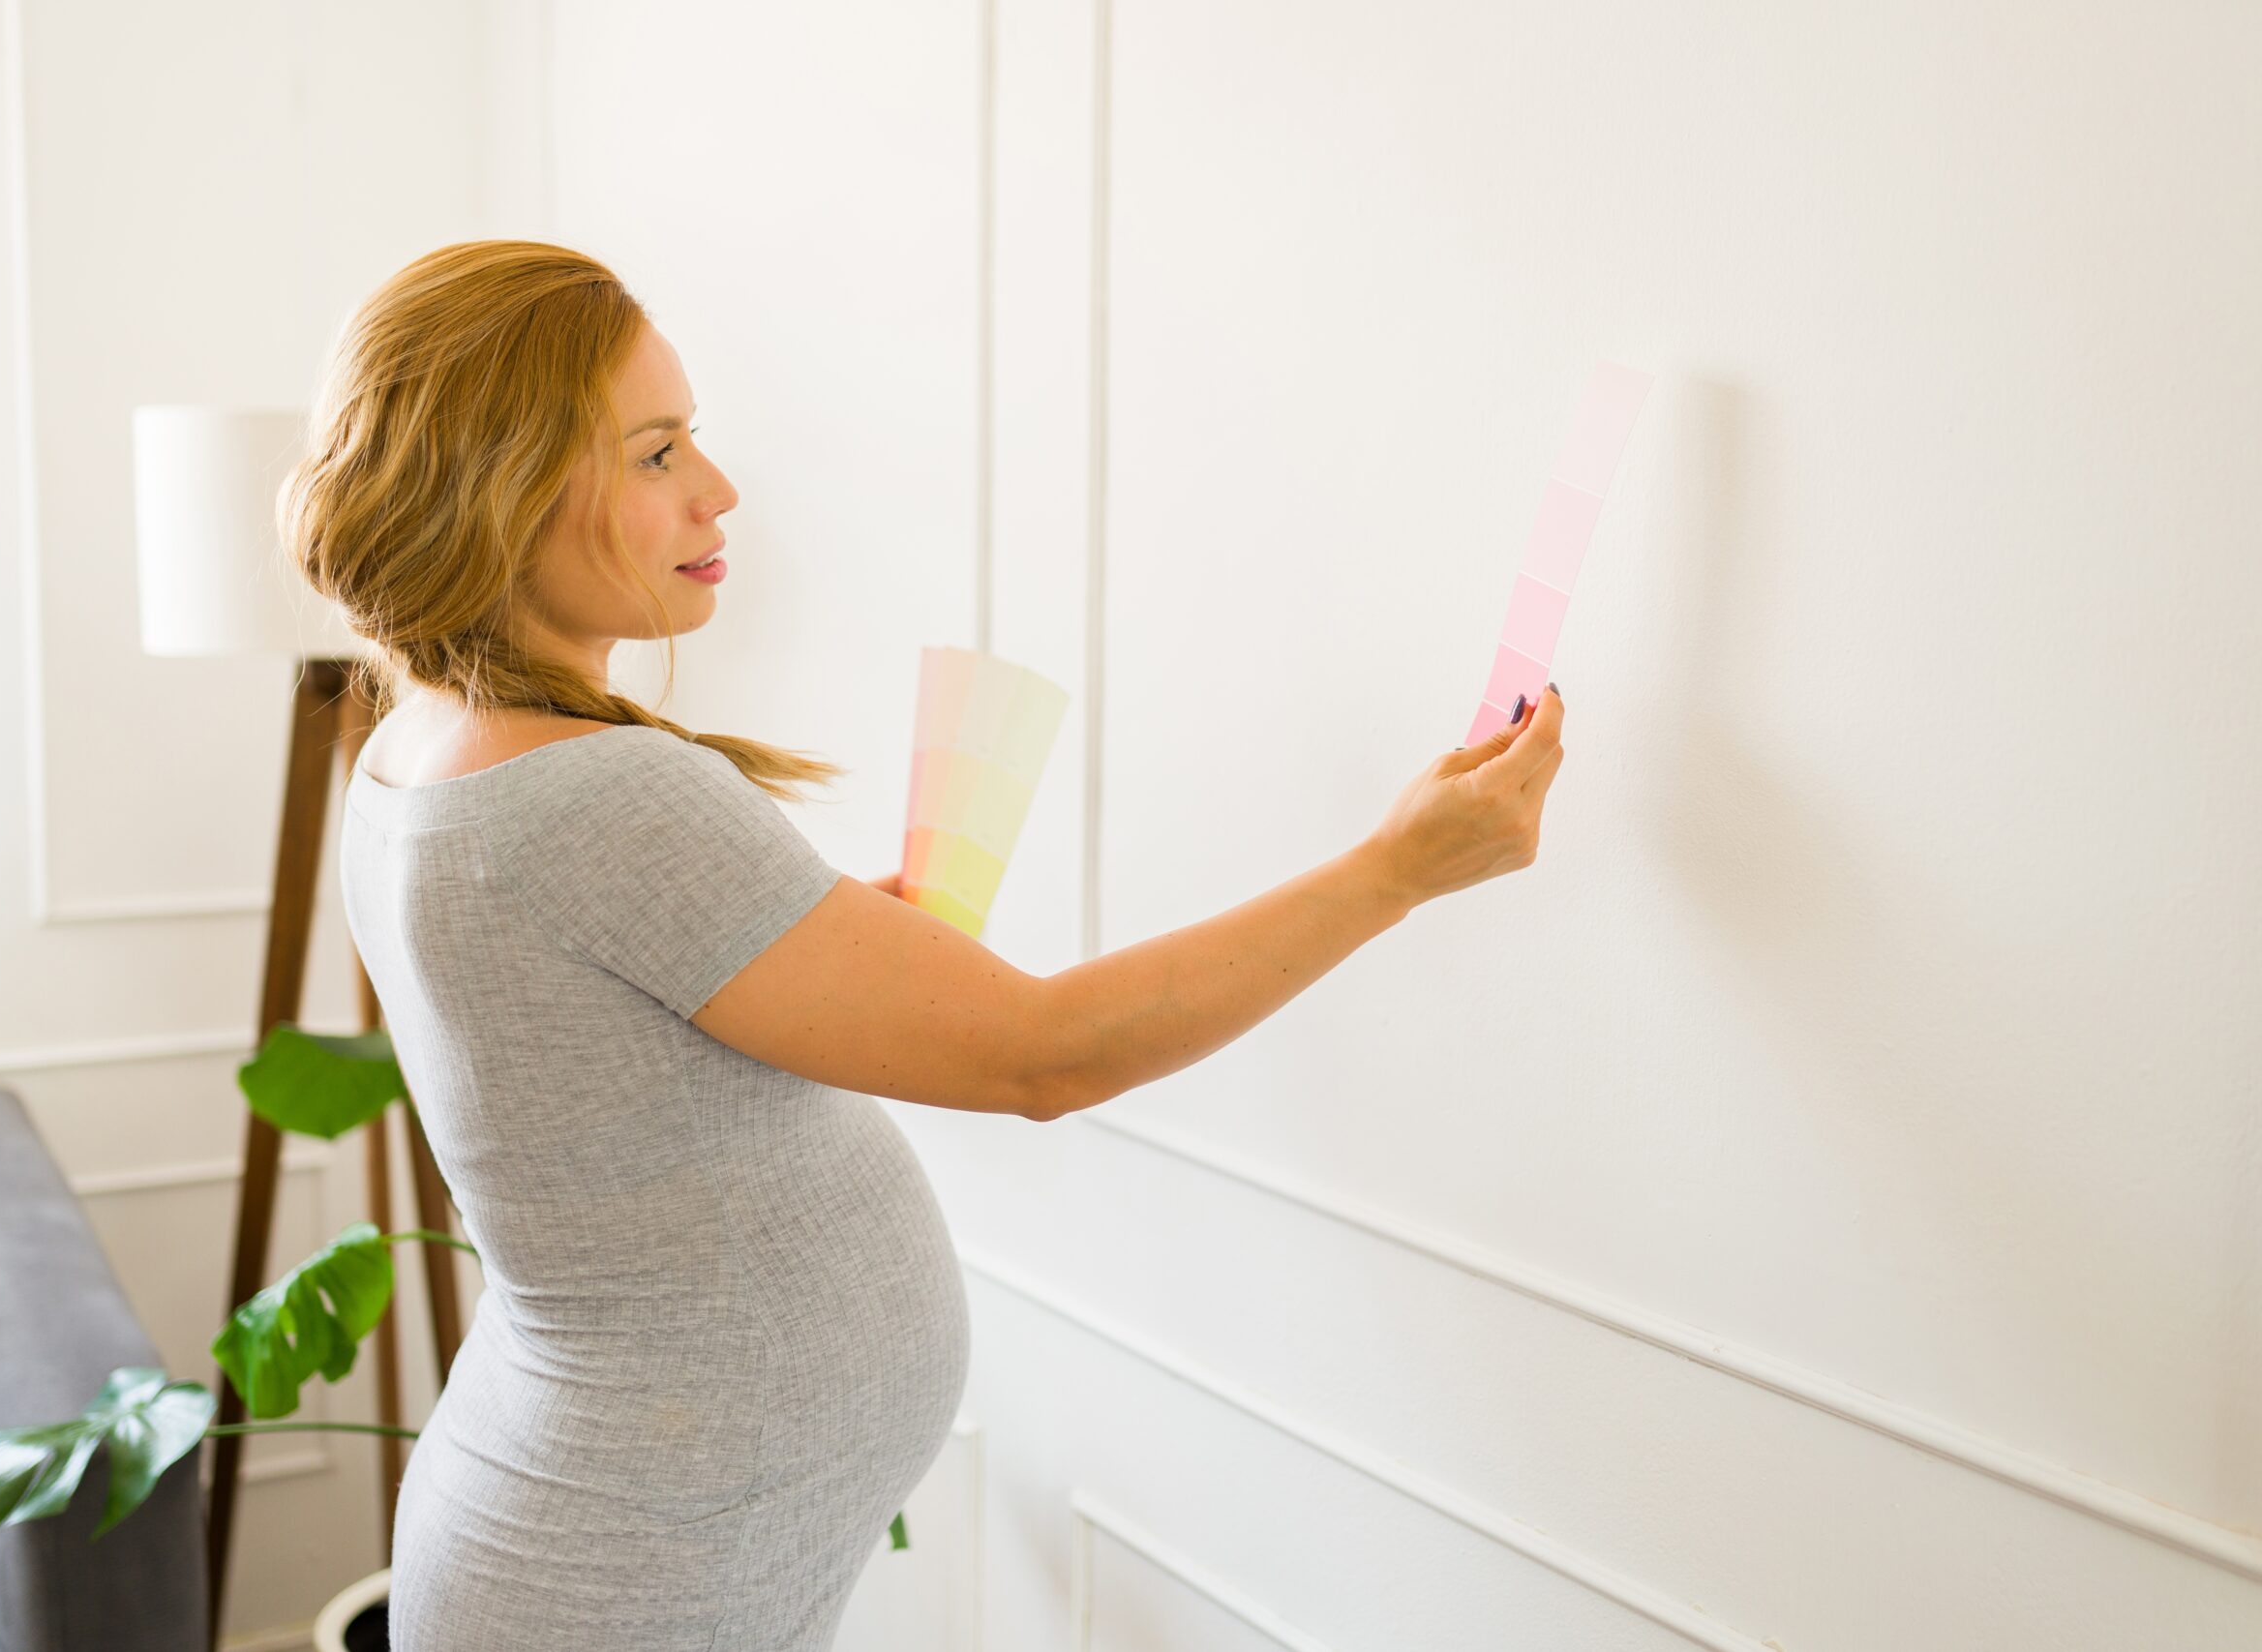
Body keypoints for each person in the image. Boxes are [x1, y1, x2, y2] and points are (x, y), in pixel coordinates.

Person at [287, 238, 1566, 1652]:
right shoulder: (601, 791)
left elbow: (592, 1039)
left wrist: (830, 940)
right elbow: (1047, 1056)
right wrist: (1395, 870)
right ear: (504, 492)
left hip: (622, 1544)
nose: (717, 487)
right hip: (628, 1575)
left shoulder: (419, 748)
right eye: (656, 453)